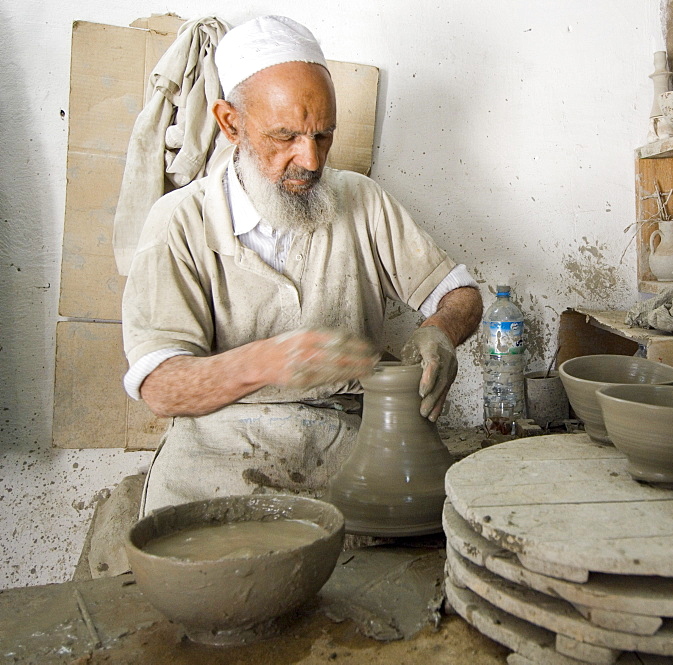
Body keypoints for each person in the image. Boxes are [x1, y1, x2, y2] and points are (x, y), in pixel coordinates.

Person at [121, 15, 483, 516]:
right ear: (230, 123)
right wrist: (268, 361)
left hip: (353, 449)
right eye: (285, 136)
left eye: (324, 135)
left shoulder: (362, 199)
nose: (311, 160)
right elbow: (160, 385)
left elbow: (459, 292)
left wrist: (442, 330)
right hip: (219, 457)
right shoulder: (179, 221)